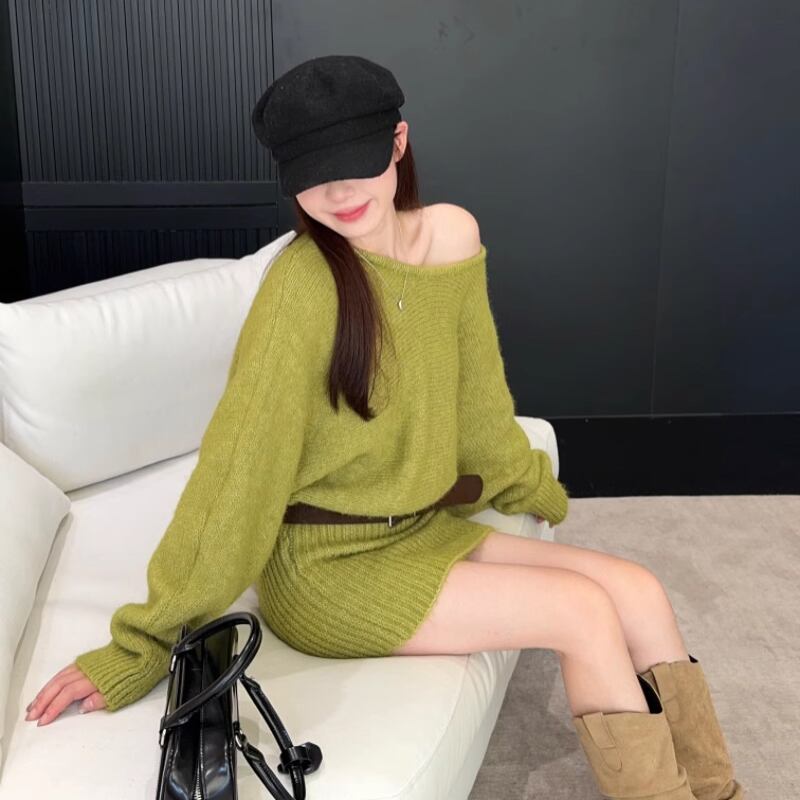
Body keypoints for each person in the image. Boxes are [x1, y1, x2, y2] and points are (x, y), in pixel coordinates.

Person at [24, 54, 743, 800]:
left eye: (355, 163)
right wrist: (143, 642)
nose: (338, 193)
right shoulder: (301, 289)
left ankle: (717, 792)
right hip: (325, 568)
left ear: (398, 143)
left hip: (419, 529)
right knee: (582, 612)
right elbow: (239, 472)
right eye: (314, 175)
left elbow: (477, 392)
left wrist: (519, 478)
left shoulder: (453, 236)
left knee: (638, 589)